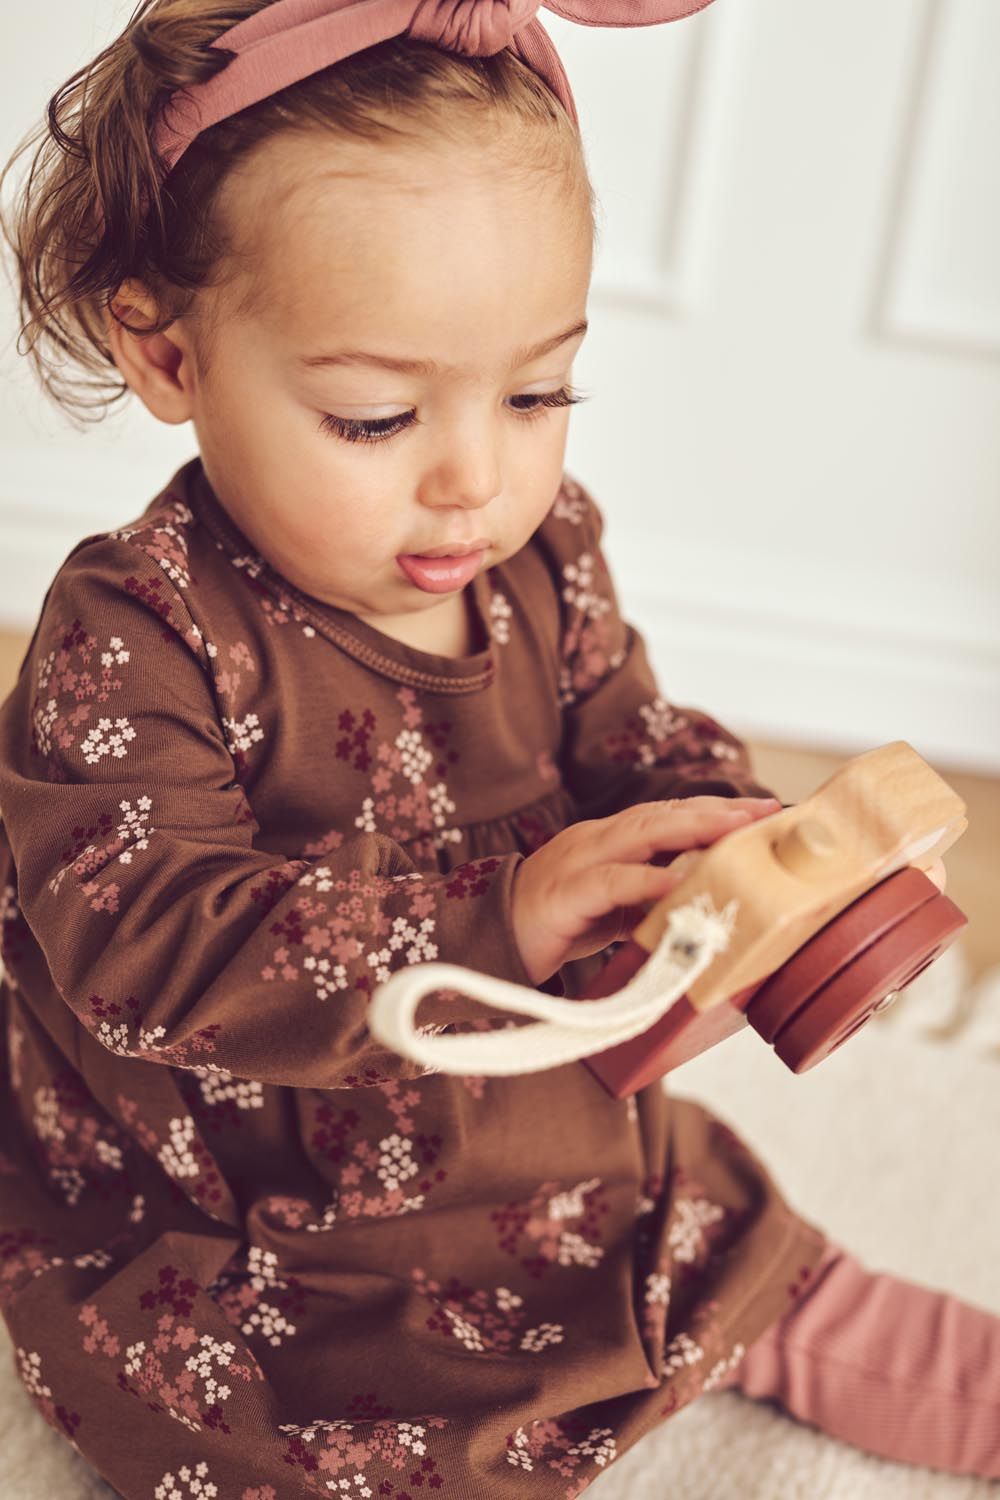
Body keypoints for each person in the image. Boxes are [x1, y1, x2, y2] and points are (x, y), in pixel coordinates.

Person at [0, 2, 995, 1495]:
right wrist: (502, 914)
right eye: (374, 415)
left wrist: (732, 840)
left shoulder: (544, 553)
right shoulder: (135, 630)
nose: (478, 479)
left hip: (543, 1130)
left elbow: (630, 738)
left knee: (722, 1250)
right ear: (166, 351)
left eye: (540, 392)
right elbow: (145, 953)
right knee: (313, 1423)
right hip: (258, 1187)